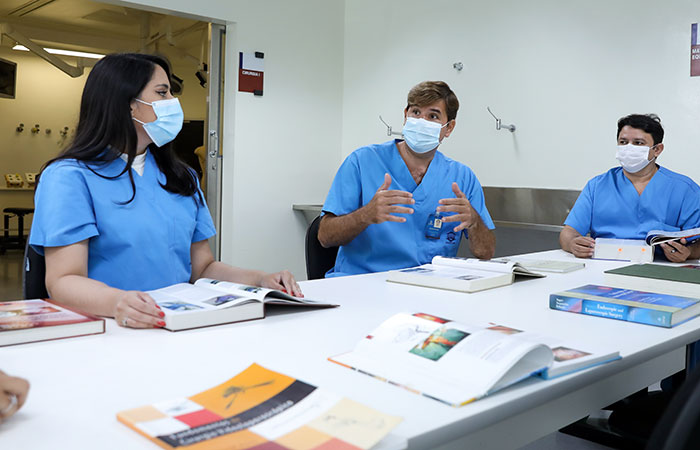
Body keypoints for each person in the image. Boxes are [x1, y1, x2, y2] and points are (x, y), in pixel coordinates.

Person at [29, 53, 301, 330]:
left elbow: (203, 269)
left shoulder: (182, 177)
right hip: (111, 326)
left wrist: (259, 280)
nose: (173, 102)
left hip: (178, 322)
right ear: (128, 105)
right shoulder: (69, 178)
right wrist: (118, 302)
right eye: (162, 92)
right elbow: (63, 280)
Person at [318, 81, 495, 277]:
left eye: (433, 116)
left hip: (428, 288)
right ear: (405, 116)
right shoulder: (361, 162)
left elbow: (485, 253)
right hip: (361, 283)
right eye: (416, 112)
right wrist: (365, 215)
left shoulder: (462, 177)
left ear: (449, 128)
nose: (421, 121)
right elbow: (325, 236)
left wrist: (474, 221)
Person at [560, 113, 700, 262]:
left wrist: (689, 252)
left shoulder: (685, 190)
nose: (629, 148)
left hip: (663, 268)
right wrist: (573, 243)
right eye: (623, 142)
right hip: (604, 264)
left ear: (657, 149)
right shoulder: (597, 186)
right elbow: (568, 233)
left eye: (638, 143)